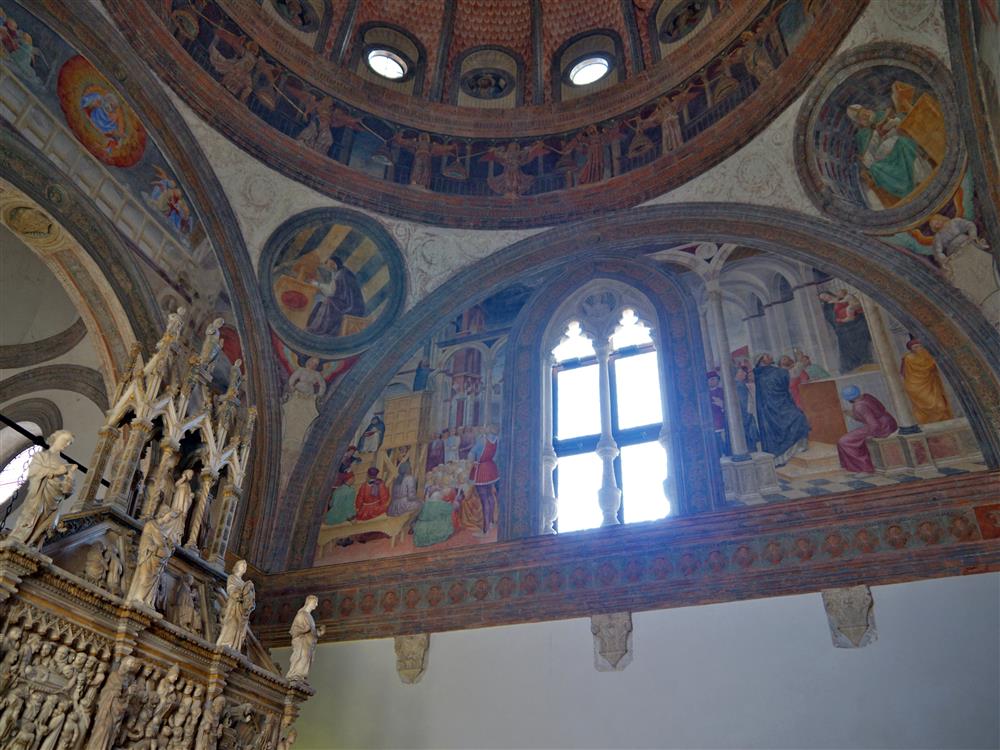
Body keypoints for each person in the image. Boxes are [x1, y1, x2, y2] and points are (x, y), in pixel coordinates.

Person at [7, 430, 76, 549]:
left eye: (68, 443)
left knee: (43, 526)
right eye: (64, 441)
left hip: (54, 501)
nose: (65, 444)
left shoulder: (65, 464)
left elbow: (68, 491)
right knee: (32, 515)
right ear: (55, 438)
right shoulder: (41, 456)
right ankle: (19, 540)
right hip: (39, 494)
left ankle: (32, 544)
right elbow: (33, 472)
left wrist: (69, 478)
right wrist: (55, 472)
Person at [753, 353, 810, 466]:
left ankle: (794, 451)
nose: (770, 356)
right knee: (798, 417)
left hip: (772, 407)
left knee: (798, 416)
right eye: (766, 356)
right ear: (762, 360)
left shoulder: (760, 373)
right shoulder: (769, 372)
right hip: (776, 407)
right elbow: (791, 374)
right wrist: (800, 364)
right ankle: (786, 455)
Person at [836, 386, 898, 473]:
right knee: (853, 439)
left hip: (881, 428)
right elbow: (873, 413)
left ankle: (864, 467)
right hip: (889, 422)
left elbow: (873, 423)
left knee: (844, 441)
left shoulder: (859, 406)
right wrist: (852, 414)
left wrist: (871, 435)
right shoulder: (867, 396)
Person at [306, 256, 365, 337]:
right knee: (320, 301)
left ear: (334, 263)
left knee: (328, 300)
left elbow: (332, 292)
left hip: (351, 306)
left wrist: (317, 284)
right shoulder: (340, 272)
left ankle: (320, 330)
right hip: (348, 302)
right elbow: (337, 292)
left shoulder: (341, 274)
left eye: (330, 264)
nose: (329, 267)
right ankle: (314, 327)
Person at [819, 289, 873, 372]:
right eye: (823, 298)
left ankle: (866, 362)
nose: (826, 298)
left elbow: (855, 305)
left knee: (862, 342)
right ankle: (853, 366)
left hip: (857, 322)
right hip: (843, 328)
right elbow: (831, 318)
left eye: (825, 295)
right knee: (847, 347)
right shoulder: (827, 307)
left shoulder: (842, 298)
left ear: (829, 293)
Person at [900, 339, 952, 423]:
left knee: (941, 406)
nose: (919, 348)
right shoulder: (908, 358)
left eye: (920, 346)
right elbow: (927, 367)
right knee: (932, 407)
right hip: (916, 387)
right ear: (911, 349)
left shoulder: (926, 355)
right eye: (916, 347)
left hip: (930, 385)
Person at [216, 560, 255, 653]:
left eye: (245, 566)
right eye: (242, 565)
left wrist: (250, 602)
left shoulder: (244, 583)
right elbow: (231, 589)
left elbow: (250, 597)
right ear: (237, 566)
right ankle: (226, 643)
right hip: (234, 606)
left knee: (240, 630)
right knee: (232, 623)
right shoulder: (232, 577)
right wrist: (239, 594)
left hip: (242, 611)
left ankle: (234, 647)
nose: (244, 567)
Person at [286, 596, 325, 685]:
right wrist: (304, 630)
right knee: (302, 656)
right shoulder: (301, 614)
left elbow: (312, 633)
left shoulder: (310, 617)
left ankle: (300, 676)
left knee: (307, 657)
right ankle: (295, 675)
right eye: (315, 602)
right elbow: (294, 630)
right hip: (301, 642)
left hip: (308, 644)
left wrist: (320, 632)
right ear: (310, 602)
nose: (316, 604)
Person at [468, 425, 499, 533]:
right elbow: (496, 456)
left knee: (484, 499)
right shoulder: (496, 440)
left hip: (481, 470)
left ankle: (485, 529)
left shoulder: (482, 440)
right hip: (491, 469)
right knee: (490, 497)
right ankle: (490, 523)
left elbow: (471, 453)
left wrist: (472, 462)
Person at [734, 366, 759, 452]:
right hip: (746, 417)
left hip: (745, 417)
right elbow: (744, 404)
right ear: (737, 374)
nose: (745, 374)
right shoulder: (739, 385)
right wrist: (748, 417)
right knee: (750, 442)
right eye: (742, 372)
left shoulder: (738, 384)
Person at [706, 371, 728, 455]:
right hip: (711, 422)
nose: (712, 381)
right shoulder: (705, 394)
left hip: (721, 420)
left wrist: (722, 404)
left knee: (723, 440)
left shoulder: (722, 391)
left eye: (714, 379)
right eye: (710, 379)